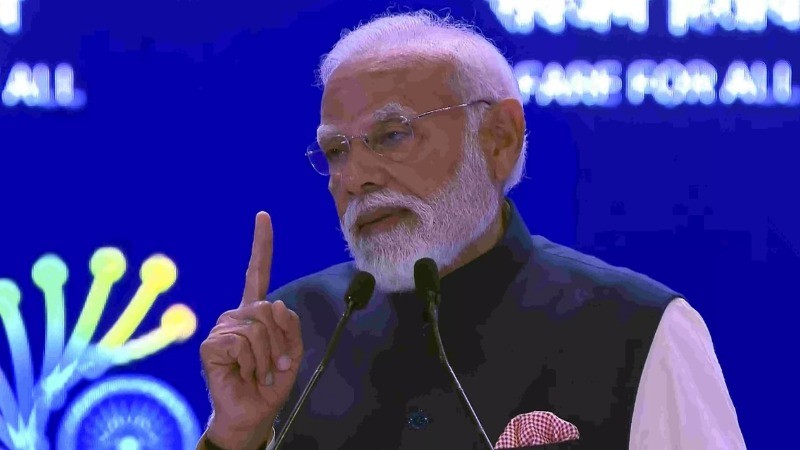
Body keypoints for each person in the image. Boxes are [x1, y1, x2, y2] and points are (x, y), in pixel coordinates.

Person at [196, 10, 746, 450]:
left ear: (500, 138)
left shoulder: (637, 329)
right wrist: (235, 436)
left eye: (392, 135)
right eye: (336, 150)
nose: (354, 177)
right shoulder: (293, 335)